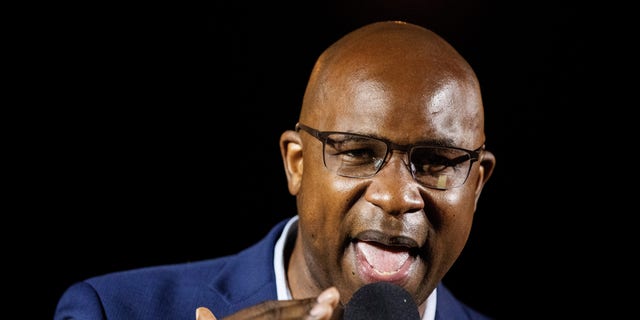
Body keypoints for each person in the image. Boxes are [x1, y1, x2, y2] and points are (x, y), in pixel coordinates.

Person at [54, 20, 496, 320]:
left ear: (476, 185)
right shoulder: (110, 311)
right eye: (358, 153)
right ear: (296, 164)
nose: (398, 197)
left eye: (437, 162)